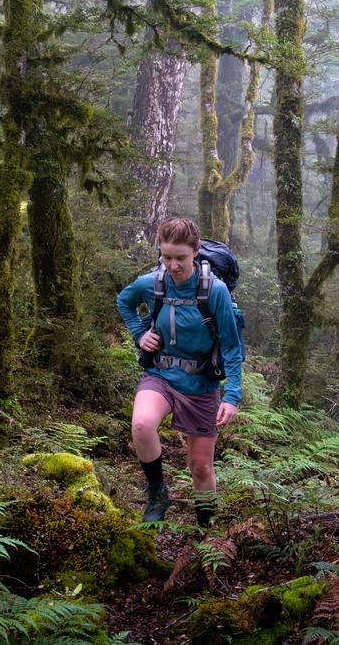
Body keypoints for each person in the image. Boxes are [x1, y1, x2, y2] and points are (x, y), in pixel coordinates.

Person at [116, 218, 243, 527]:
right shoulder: (151, 283)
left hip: (201, 383)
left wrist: (233, 395)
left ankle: (205, 526)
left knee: (200, 467)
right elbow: (125, 302)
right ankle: (158, 492)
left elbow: (231, 345)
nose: (172, 265)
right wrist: (139, 335)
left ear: (195, 252)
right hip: (160, 373)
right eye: (166, 256)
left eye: (180, 258)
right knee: (142, 424)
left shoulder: (216, 291)